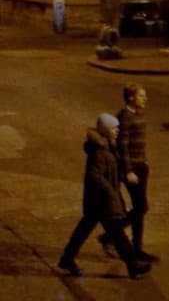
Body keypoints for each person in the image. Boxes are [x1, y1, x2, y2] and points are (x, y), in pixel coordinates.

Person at [58, 113, 151, 279]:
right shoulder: (99, 151)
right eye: (114, 128)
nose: (117, 130)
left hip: (98, 200)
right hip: (102, 200)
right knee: (117, 233)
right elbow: (94, 175)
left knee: (84, 230)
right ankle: (132, 265)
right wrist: (110, 191)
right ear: (105, 130)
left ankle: (67, 258)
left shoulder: (107, 146)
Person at [116, 83, 158, 263]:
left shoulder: (139, 114)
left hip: (141, 166)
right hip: (132, 169)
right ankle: (114, 235)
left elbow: (138, 141)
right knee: (141, 207)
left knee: (140, 208)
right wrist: (128, 170)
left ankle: (134, 246)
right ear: (131, 98)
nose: (145, 99)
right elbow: (123, 145)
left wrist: (144, 160)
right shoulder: (125, 117)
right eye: (141, 96)